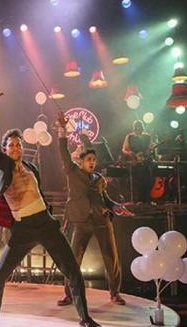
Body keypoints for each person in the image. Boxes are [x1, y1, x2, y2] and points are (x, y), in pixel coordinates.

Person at [0, 82, 105, 327]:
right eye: (11, 145)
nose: (15, 148)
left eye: (18, 144)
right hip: (23, 228)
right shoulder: (1, 165)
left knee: (73, 271)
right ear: (5, 149)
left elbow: (39, 193)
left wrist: (62, 129)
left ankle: (85, 318)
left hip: (45, 223)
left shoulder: (31, 168)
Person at [55, 111, 133, 307]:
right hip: (81, 222)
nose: (92, 162)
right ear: (81, 162)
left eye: (94, 160)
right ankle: (69, 294)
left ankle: (115, 293)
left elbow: (105, 199)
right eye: (89, 159)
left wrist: (117, 206)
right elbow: (63, 152)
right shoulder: (72, 172)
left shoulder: (99, 179)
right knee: (74, 259)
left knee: (111, 259)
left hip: (102, 222)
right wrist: (62, 129)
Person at [121, 120, 153, 203]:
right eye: (137, 127)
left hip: (146, 162)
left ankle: (147, 200)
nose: (138, 128)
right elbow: (124, 149)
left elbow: (151, 148)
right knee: (138, 181)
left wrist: (148, 152)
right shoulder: (129, 136)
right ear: (134, 128)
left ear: (142, 127)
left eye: (140, 127)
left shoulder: (147, 136)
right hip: (135, 162)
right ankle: (139, 200)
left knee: (148, 180)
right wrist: (129, 153)